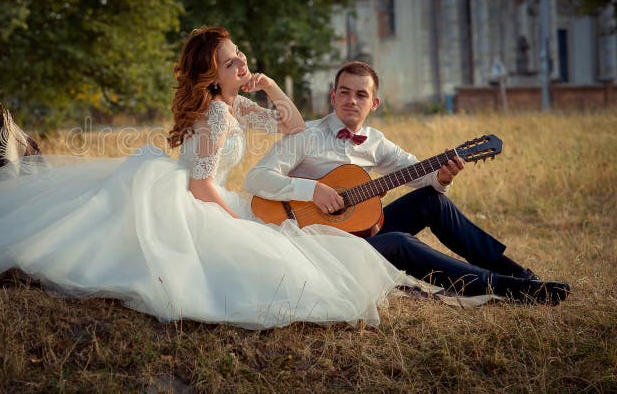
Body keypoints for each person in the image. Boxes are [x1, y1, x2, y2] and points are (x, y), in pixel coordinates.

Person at [0, 27, 414, 329]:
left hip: (205, 187)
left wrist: (270, 86)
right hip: (192, 195)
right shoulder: (216, 115)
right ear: (211, 73)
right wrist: (240, 222)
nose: (241, 63)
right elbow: (199, 187)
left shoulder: (231, 103)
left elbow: (294, 126)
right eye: (230, 61)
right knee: (254, 249)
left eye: (240, 55)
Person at [244, 61, 570, 305]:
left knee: (432, 199)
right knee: (398, 242)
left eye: (361, 95)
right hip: (317, 250)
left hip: (357, 238)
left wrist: (441, 176)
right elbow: (257, 178)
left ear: (374, 104)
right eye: (344, 92)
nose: (351, 100)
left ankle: (517, 273)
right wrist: (313, 189)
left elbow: (416, 170)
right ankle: (503, 287)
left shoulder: (376, 142)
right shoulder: (306, 136)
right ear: (333, 96)